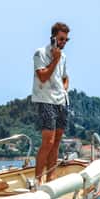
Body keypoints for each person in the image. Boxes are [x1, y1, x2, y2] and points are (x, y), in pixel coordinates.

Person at [32, 21, 71, 185]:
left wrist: (64, 90)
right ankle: (37, 180)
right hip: (45, 100)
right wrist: (55, 59)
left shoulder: (64, 57)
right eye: (61, 39)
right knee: (47, 142)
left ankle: (51, 178)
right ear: (53, 38)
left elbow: (65, 77)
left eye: (66, 40)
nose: (63, 43)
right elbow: (42, 76)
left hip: (61, 102)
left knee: (56, 142)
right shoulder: (40, 53)